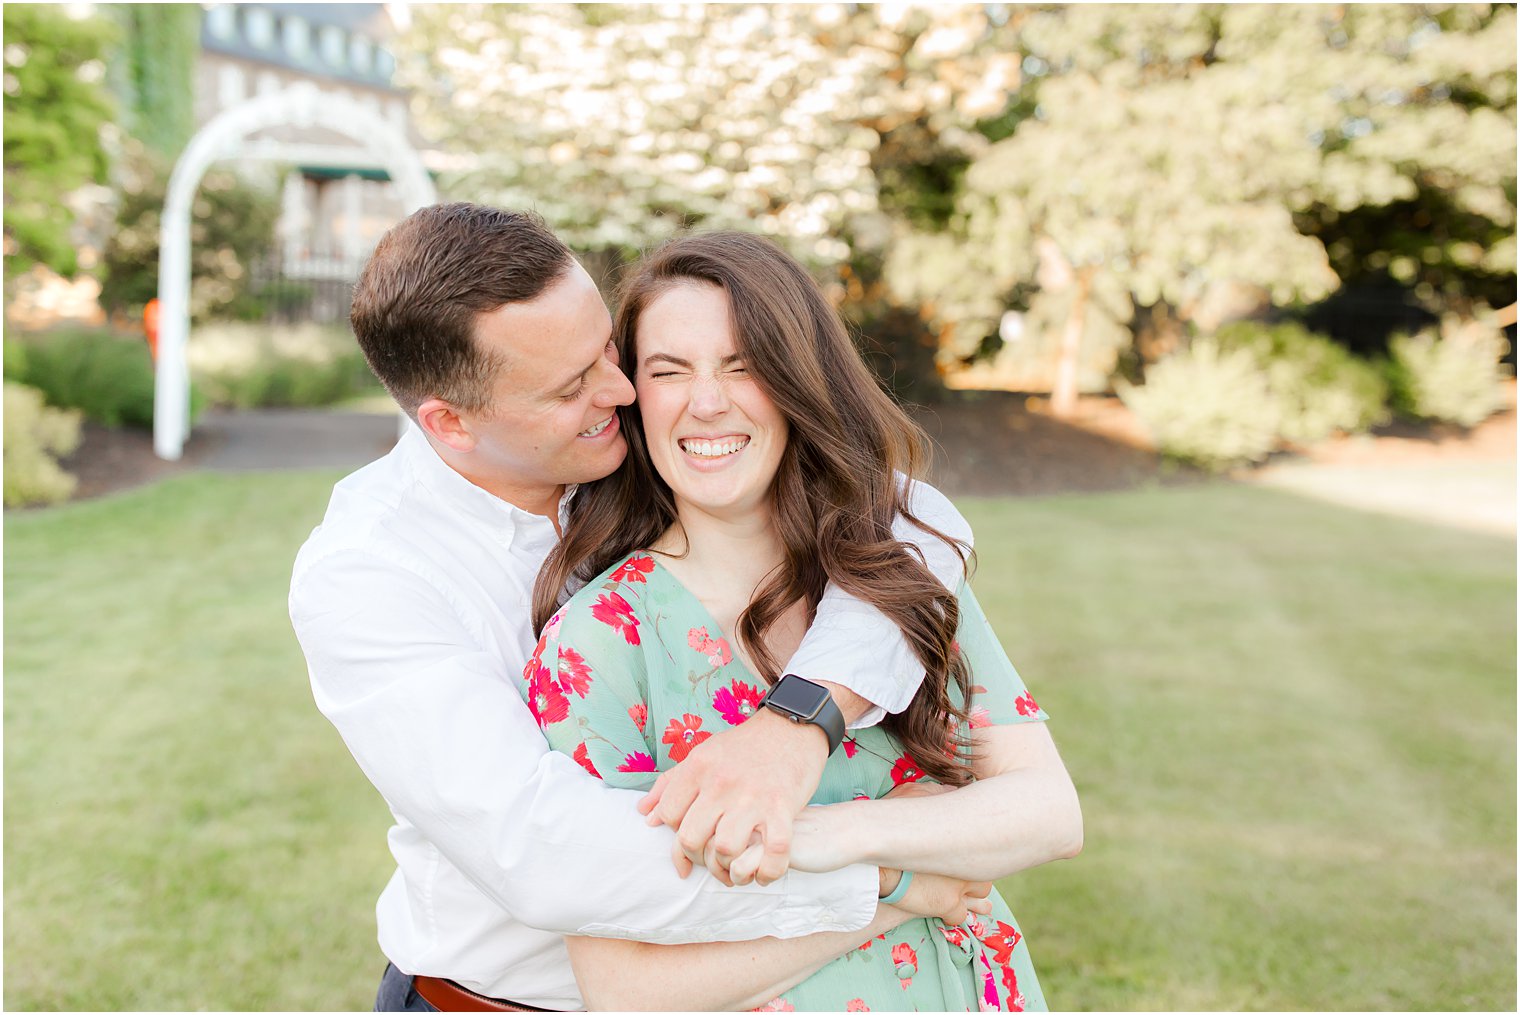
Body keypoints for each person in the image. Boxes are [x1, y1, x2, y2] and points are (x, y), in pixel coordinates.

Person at [289, 203, 995, 1011]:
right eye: (572, 385)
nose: (620, 388)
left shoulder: (637, 447)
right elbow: (549, 852)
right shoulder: (369, 577)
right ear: (451, 423)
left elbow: (914, 523)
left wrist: (796, 725)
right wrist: (876, 879)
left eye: (606, 351)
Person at [521, 231, 1083, 1011]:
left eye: (742, 365)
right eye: (669, 370)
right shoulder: (599, 644)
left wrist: (830, 835)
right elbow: (627, 990)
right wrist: (902, 884)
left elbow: (1049, 813)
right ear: (634, 395)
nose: (706, 401)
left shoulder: (893, 570)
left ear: (796, 382)